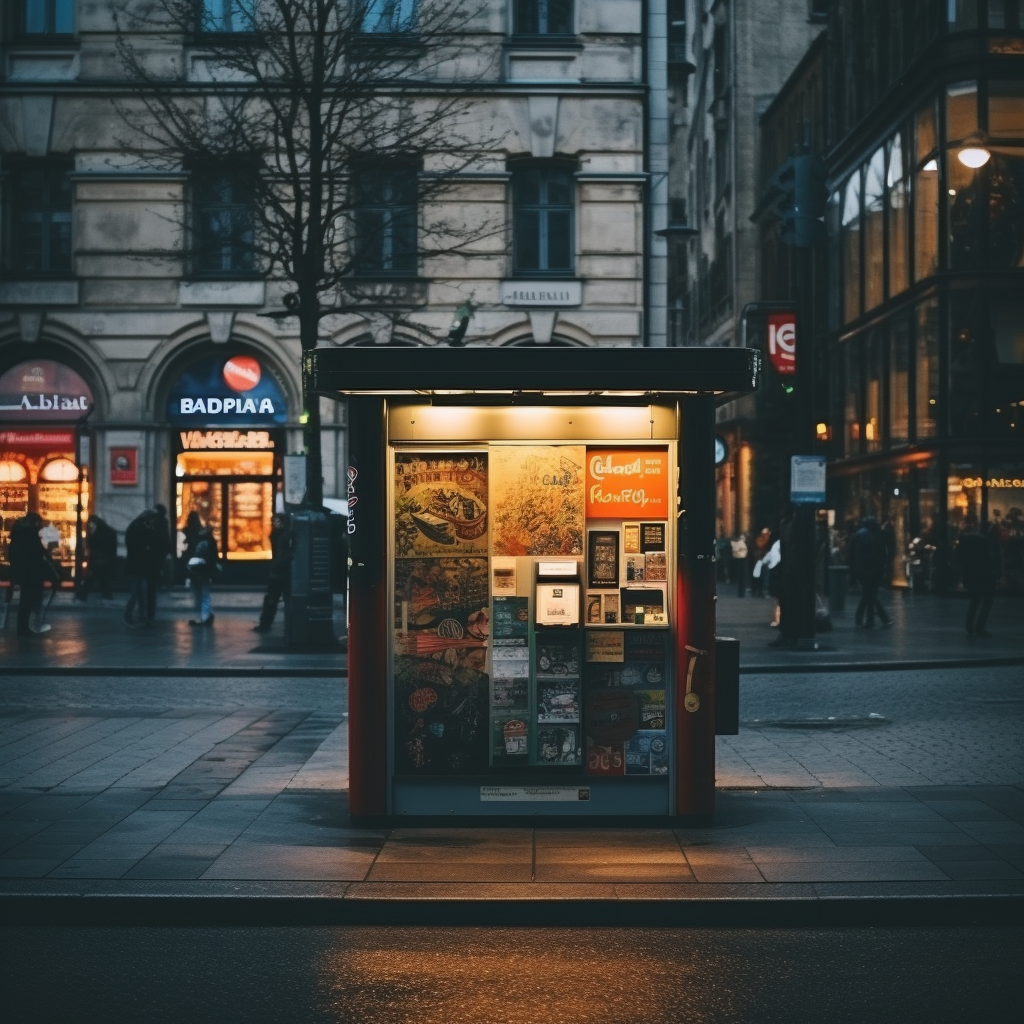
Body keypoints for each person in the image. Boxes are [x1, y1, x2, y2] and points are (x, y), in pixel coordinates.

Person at [124, 505, 172, 626]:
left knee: (141, 592)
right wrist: (147, 549)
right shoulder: (138, 527)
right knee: (137, 592)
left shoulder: (141, 526)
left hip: (142, 565)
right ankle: (129, 616)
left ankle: (141, 616)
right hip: (139, 565)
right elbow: (138, 546)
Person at [9, 513, 54, 637]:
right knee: (28, 600)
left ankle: (22, 627)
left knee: (25, 600)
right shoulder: (31, 534)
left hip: (22, 571)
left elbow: (13, 553)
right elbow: (38, 552)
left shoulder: (18, 534)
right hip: (31, 571)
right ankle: (26, 627)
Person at [957, 519, 1000, 638]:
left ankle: (969, 625)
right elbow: (990, 560)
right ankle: (979, 626)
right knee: (987, 601)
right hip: (984, 576)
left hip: (972, 575)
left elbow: (961, 557)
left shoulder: (967, 539)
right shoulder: (985, 541)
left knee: (975, 600)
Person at [849, 516, 891, 628]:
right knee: (870, 595)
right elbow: (882, 556)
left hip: (862, 571)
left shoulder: (858, 537)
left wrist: (854, 570)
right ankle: (876, 619)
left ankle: (866, 619)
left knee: (868, 595)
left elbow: (852, 555)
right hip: (875, 571)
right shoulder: (878, 537)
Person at [254, 513, 289, 633]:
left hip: (279, 571)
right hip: (279, 570)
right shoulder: (279, 535)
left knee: (272, 598)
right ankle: (266, 623)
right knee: (273, 598)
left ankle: (265, 623)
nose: (274, 524)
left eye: (277, 521)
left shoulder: (282, 536)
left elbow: (282, 554)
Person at [76, 515, 118, 602]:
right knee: (102, 579)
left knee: (92, 579)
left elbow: (94, 545)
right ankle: (107, 596)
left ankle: (82, 596)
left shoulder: (98, 533)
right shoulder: (106, 531)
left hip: (98, 560)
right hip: (103, 559)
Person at [187, 524, 219, 627]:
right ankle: (206, 615)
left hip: (200, 571)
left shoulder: (200, 541)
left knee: (202, 595)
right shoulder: (209, 542)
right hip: (203, 571)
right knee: (204, 595)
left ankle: (205, 616)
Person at [731, 532, 749, 597]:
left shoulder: (735, 543)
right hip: (741, 559)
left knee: (741, 577)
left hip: (739, 559)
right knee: (742, 577)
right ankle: (741, 593)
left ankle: (741, 593)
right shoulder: (738, 543)